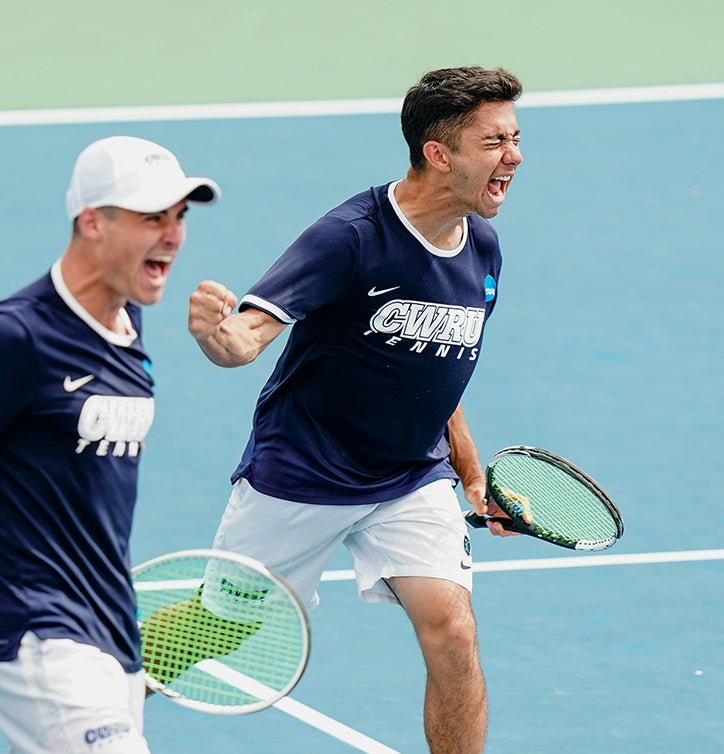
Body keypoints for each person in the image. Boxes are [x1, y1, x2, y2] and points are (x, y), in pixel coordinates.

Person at [187, 66, 523, 754]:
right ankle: (84, 704)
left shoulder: (481, 245)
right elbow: (244, 338)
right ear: (439, 153)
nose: (514, 157)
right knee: (210, 633)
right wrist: (216, 336)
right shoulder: (349, 237)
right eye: (494, 142)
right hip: (303, 472)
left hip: (408, 478)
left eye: (514, 139)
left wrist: (470, 473)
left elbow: (438, 369)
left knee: (454, 633)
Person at [0, 135, 220, 754]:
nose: (173, 234)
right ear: (92, 223)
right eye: (151, 217)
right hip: (32, 632)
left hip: (109, 632)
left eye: (179, 217)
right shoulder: (10, 338)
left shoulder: (127, 328)